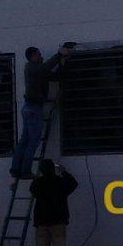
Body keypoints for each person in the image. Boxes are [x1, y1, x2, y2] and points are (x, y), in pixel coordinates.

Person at [9, 43, 74, 179]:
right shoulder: (32, 68)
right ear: (32, 56)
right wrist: (59, 54)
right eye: (38, 54)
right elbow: (45, 68)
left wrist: (62, 62)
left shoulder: (37, 71)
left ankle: (15, 168)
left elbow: (55, 77)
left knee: (25, 140)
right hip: (33, 109)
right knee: (33, 141)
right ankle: (25, 171)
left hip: (29, 108)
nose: (41, 56)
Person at [30, 158, 78, 246]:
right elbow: (74, 184)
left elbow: (32, 189)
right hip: (58, 221)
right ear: (52, 168)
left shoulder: (38, 183)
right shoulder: (60, 183)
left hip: (42, 222)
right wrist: (63, 172)